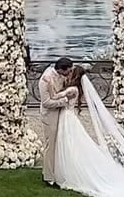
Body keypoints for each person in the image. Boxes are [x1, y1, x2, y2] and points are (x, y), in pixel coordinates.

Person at [39, 57, 78, 187]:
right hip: (49, 116)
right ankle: (49, 176)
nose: (70, 73)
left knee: (59, 144)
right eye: (69, 70)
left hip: (61, 114)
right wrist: (64, 101)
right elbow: (46, 103)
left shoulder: (62, 75)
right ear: (62, 69)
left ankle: (59, 172)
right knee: (50, 146)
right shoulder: (46, 79)